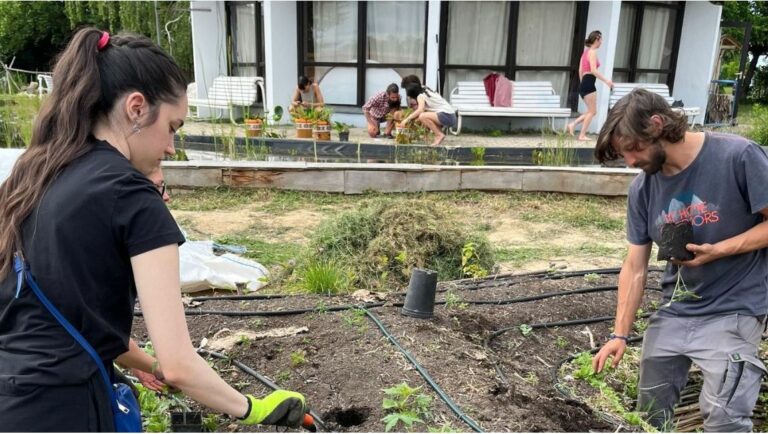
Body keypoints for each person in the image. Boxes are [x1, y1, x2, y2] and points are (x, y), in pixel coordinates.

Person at [0, 28, 306, 431]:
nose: (171, 147)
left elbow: (64, 311)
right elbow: (180, 365)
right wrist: (255, 407)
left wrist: (147, 365)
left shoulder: (36, 174)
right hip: (61, 408)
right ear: (137, 108)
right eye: (174, 127)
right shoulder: (131, 196)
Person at [591, 88, 768, 432]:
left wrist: (721, 249)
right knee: (649, 413)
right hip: (677, 309)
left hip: (735, 305)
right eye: (622, 153)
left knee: (725, 415)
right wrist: (619, 335)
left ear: (656, 125)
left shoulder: (738, 156)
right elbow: (635, 266)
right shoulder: (643, 189)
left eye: (633, 148)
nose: (629, 161)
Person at [566, 30, 613, 141]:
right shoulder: (592, 52)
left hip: (585, 83)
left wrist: (583, 83)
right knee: (592, 111)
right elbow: (593, 70)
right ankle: (582, 135)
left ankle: (572, 125)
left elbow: (580, 70)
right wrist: (607, 81)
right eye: (601, 39)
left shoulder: (586, 52)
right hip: (589, 83)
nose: (601, 42)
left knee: (592, 111)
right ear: (596, 39)